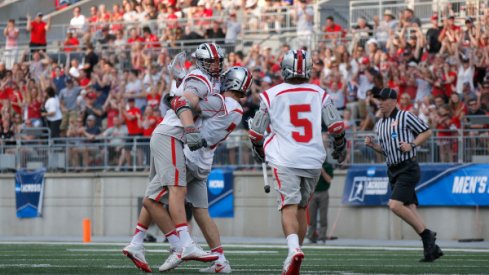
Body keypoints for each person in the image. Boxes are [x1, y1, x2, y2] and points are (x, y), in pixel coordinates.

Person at [122, 44, 224, 272]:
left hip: (165, 134)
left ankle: (137, 242)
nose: (216, 65)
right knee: (177, 190)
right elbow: (181, 101)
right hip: (172, 134)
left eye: (219, 61)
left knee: (153, 195)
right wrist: (189, 128)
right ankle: (183, 244)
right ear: (201, 62)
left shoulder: (206, 79)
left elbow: (179, 97)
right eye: (212, 62)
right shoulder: (200, 78)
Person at [248, 49, 347, 275]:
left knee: (288, 207)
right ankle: (296, 252)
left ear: (284, 68)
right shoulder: (318, 92)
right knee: (302, 207)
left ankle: (293, 250)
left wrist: (257, 149)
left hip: (285, 158)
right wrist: (341, 147)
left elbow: (256, 133)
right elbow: (336, 127)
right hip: (313, 159)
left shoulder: (271, 94)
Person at [364, 88, 443, 262]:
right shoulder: (380, 124)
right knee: (410, 210)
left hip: (407, 167)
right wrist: (373, 146)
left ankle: (427, 234)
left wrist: (412, 145)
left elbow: (427, 131)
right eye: (379, 100)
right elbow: (386, 149)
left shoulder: (405, 116)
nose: (380, 102)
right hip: (392, 169)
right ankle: (432, 250)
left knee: (394, 205)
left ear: (393, 101)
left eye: (384, 99)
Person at [306, 159, 333, 244]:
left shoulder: (328, 166)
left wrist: (323, 171)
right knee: (311, 217)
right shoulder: (312, 165)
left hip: (323, 193)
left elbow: (329, 180)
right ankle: (311, 236)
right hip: (313, 193)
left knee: (323, 217)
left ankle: (322, 237)